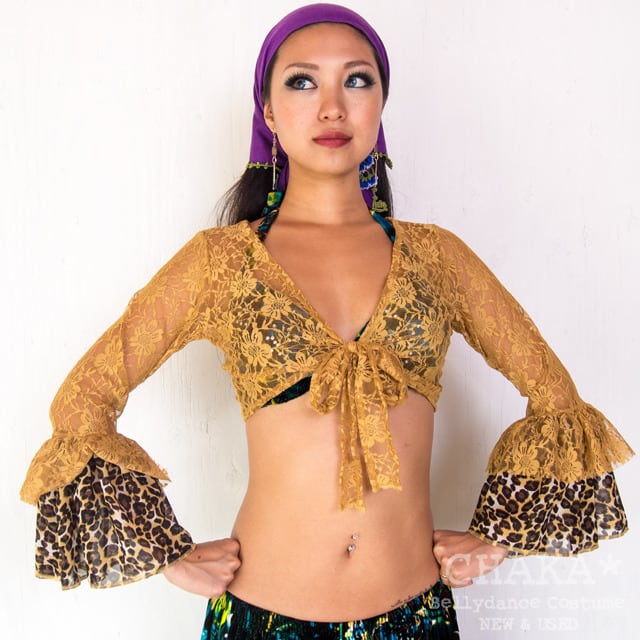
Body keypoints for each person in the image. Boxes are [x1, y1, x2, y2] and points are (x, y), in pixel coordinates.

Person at [20, 4, 633, 639]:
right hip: (261, 617)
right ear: (268, 111)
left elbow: (559, 400)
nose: (332, 107)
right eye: (303, 82)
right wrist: (164, 552)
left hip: (415, 616)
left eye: (357, 80)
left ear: (381, 103)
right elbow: (80, 403)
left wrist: (498, 537)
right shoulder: (220, 263)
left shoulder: (438, 257)